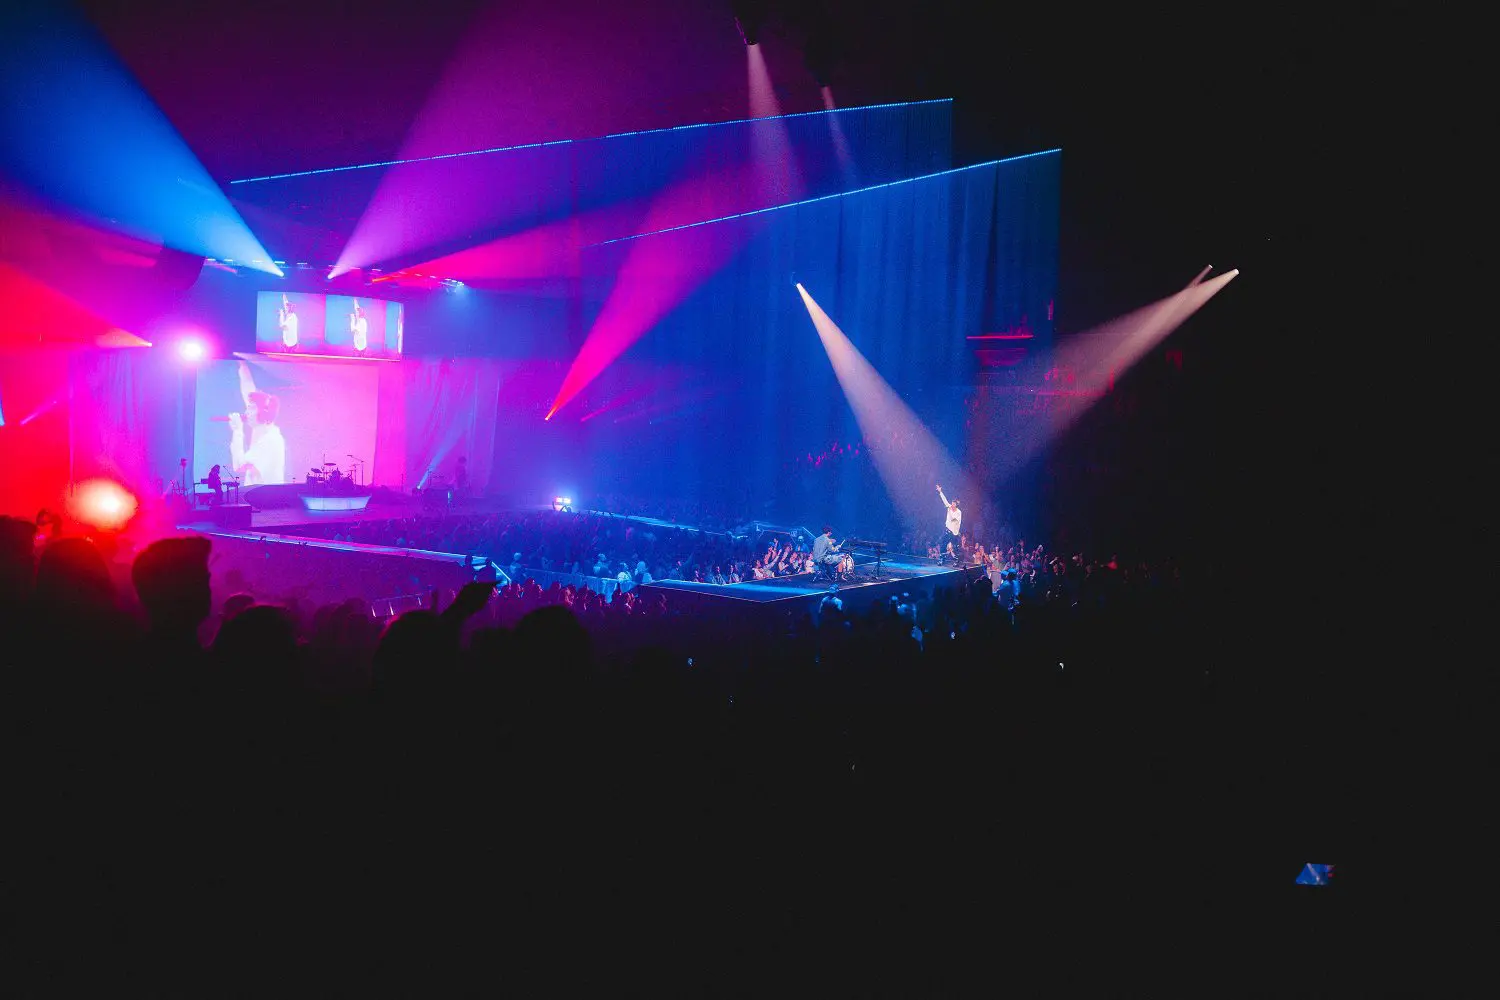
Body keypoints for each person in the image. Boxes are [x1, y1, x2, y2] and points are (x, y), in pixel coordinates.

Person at [228, 361, 286, 486]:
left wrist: (237, 431)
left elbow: (238, 465)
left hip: (266, 497)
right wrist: (243, 366)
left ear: (263, 411)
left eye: (251, 408)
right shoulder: (263, 431)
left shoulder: (270, 440)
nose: (246, 412)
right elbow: (248, 389)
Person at [936, 484, 962, 561]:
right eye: (952, 503)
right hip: (948, 530)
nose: (952, 504)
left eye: (954, 503)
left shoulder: (958, 512)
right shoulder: (949, 507)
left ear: (956, 505)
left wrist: (950, 511)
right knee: (943, 543)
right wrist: (940, 492)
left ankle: (957, 560)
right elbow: (944, 500)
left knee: (955, 547)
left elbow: (954, 519)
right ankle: (942, 558)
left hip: (954, 532)